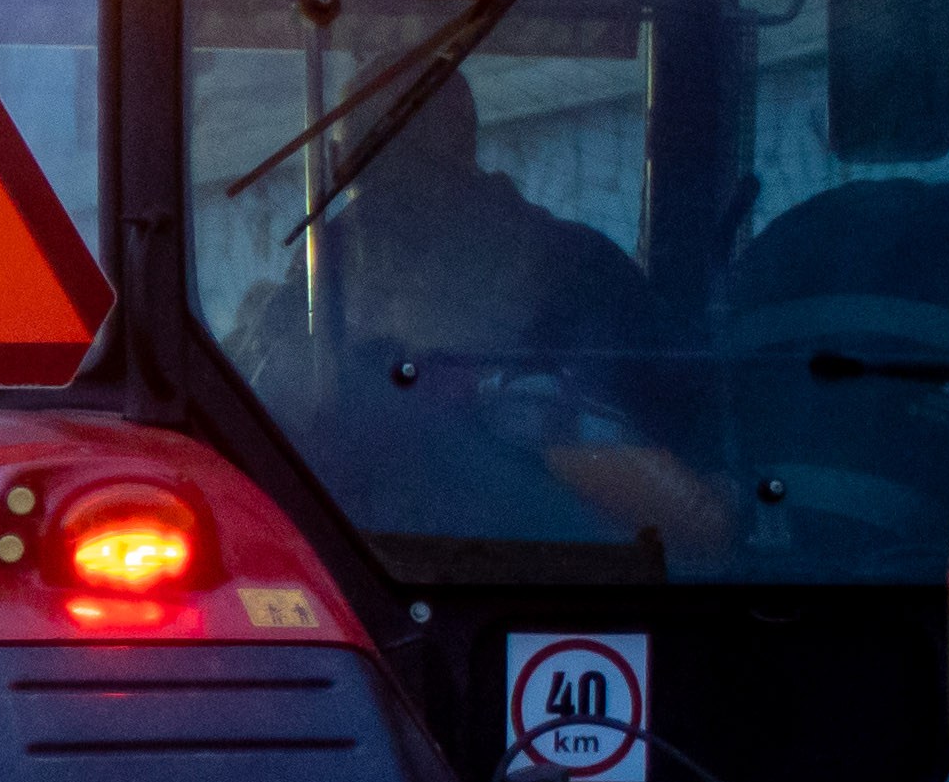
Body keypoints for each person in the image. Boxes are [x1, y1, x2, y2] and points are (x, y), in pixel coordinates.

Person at [298, 63, 734, 557]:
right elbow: (272, 419)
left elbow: (689, 436)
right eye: (356, 160)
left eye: (391, 152)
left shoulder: (579, 274)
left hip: (559, 575)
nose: (358, 177)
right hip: (350, 567)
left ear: (459, 146)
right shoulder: (317, 278)